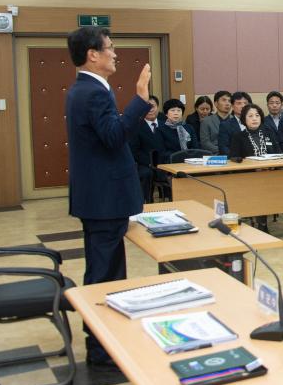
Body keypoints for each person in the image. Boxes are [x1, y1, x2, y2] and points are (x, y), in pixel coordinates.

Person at [65, 26, 151, 367]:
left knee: (103, 270)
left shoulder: (83, 89)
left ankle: (102, 342)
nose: (115, 54)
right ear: (93, 54)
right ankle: (101, 349)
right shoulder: (93, 93)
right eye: (110, 47)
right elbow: (114, 137)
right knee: (105, 275)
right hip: (104, 199)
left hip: (97, 198)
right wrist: (140, 99)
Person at [228, 103, 283, 234]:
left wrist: (272, 166)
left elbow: (278, 152)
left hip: (272, 174)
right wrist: (250, 166)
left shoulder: (269, 132)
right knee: (260, 190)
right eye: (250, 116)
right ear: (244, 119)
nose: (254, 118)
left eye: (257, 115)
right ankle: (262, 225)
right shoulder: (238, 136)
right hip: (250, 177)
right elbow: (233, 157)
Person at [129, 95, 164, 203]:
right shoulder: (135, 126)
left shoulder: (164, 124)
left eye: (152, 106)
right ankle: (146, 202)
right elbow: (134, 151)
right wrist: (151, 163)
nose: (150, 109)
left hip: (163, 162)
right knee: (146, 173)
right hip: (144, 163)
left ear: (157, 107)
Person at [158, 98, 198, 163]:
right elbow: (162, 152)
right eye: (173, 110)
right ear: (166, 113)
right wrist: (180, 157)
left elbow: (195, 147)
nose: (176, 113)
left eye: (179, 110)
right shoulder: (160, 129)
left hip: (190, 161)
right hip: (170, 162)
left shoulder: (189, 128)